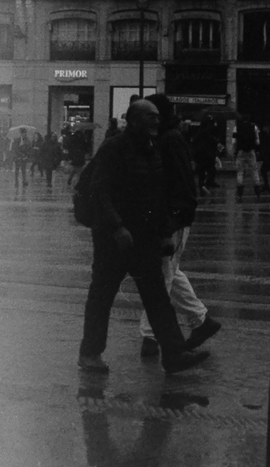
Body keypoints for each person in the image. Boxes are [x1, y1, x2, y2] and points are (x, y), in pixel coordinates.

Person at [77, 99, 209, 375]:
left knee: (157, 297)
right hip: (113, 240)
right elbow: (99, 191)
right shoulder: (113, 148)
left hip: (143, 237)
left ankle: (174, 354)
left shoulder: (151, 150)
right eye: (150, 118)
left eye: (158, 118)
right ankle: (90, 353)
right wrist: (116, 227)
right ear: (134, 120)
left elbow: (156, 197)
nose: (156, 122)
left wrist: (164, 234)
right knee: (102, 296)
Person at [138, 95, 222, 360]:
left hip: (171, 219)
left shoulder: (169, 139)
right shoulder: (166, 137)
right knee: (170, 273)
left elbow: (179, 182)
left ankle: (151, 336)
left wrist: (174, 217)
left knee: (160, 276)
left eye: (151, 114)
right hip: (169, 217)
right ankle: (201, 320)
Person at [233, 115, 261, 197]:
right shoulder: (254, 127)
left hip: (241, 152)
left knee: (240, 172)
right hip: (251, 152)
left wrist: (235, 151)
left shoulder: (236, 127)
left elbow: (234, 141)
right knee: (254, 171)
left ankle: (240, 191)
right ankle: (257, 189)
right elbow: (257, 142)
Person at [190, 117, 221, 192]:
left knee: (203, 172)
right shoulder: (207, 133)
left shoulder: (200, 133)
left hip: (202, 155)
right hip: (207, 155)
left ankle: (203, 185)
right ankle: (206, 184)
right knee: (210, 170)